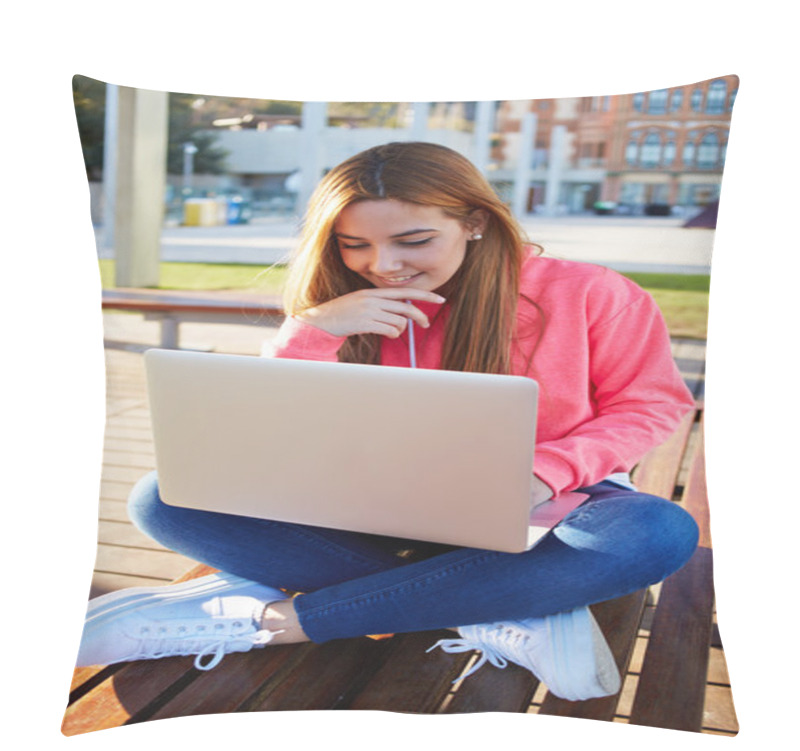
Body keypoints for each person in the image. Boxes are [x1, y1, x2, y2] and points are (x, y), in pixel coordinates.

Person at [77, 142, 699, 701]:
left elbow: (651, 404)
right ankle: (509, 607)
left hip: (547, 510)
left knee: (656, 532)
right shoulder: (344, 305)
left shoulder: (591, 293)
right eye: (356, 244)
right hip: (369, 512)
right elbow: (275, 432)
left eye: (413, 240)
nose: (383, 264)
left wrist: (542, 471)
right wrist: (312, 333)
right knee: (164, 499)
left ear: (474, 222)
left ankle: (275, 624)